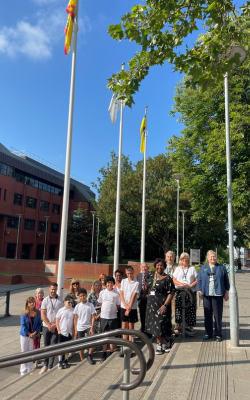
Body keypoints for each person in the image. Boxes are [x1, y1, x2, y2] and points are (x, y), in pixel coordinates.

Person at [197, 250, 229, 342]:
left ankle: (218, 334)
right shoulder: (203, 268)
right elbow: (199, 280)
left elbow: (226, 281)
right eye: (211, 256)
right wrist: (199, 291)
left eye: (214, 256)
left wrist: (226, 292)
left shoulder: (221, 267)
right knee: (207, 314)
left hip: (218, 293)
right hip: (206, 294)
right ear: (208, 258)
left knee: (217, 315)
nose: (213, 258)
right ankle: (208, 333)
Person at [144, 258, 175, 355]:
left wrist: (165, 305)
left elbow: (171, 292)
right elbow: (146, 286)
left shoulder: (167, 278)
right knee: (154, 326)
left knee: (160, 325)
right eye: (158, 265)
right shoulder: (150, 275)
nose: (159, 267)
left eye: (161, 265)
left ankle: (159, 345)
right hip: (151, 306)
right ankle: (169, 340)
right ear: (155, 266)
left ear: (164, 267)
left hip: (161, 306)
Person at [39, 282, 64, 374]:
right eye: (52, 289)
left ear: (56, 289)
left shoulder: (60, 300)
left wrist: (54, 326)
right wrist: (49, 325)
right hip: (46, 326)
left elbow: (62, 314)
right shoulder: (45, 300)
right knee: (46, 345)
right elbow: (43, 314)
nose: (53, 291)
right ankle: (45, 364)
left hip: (56, 326)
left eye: (55, 289)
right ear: (49, 289)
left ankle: (50, 366)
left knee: (53, 345)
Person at [173, 252, 198, 336]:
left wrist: (189, 286)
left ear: (188, 259)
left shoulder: (192, 268)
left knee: (190, 310)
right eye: (183, 258)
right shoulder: (178, 269)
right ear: (181, 259)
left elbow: (196, 280)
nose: (185, 260)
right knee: (180, 310)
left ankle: (189, 328)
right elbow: (174, 280)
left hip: (190, 292)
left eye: (186, 258)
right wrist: (183, 285)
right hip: (180, 292)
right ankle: (182, 327)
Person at [99, 276, 121, 363]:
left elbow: (118, 305)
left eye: (111, 283)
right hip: (104, 317)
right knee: (104, 335)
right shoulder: (102, 293)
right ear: (106, 283)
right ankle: (104, 353)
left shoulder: (116, 293)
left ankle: (111, 351)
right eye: (108, 283)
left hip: (113, 317)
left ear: (113, 284)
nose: (110, 284)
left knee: (112, 335)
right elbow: (101, 303)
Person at [119, 266, 139, 357]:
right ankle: (124, 346)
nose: (129, 275)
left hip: (132, 307)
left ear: (133, 272)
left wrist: (129, 307)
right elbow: (121, 294)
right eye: (128, 274)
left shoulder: (136, 283)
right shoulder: (123, 281)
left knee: (131, 327)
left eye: (131, 273)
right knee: (124, 326)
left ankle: (131, 347)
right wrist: (126, 306)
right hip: (124, 306)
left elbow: (134, 296)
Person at [20, 297, 41, 376]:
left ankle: (29, 368)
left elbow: (39, 323)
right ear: (27, 304)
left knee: (30, 352)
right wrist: (29, 334)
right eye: (30, 302)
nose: (32, 304)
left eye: (33, 302)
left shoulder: (37, 312)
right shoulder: (24, 313)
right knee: (24, 352)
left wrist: (35, 333)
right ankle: (23, 370)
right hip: (25, 336)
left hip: (33, 335)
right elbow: (23, 326)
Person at [73, 288, 95, 365]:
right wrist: (75, 330)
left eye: (84, 295)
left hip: (88, 325)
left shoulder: (90, 305)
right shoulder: (77, 306)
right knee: (80, 344)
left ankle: (89, 355)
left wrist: (92, 328)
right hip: (80, 327)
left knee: (92, 340)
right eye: (81, 296)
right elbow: (75, 318)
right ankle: (82, 359)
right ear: (79, 297)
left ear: (86, 295)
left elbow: (93, 317)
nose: (83, 297)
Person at [56, 295, 75, 369]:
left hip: (69, 332)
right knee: (61, 348)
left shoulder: (73, 311)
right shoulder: (61, 310)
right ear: (64, 302)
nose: (70, 304)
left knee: (67, 348)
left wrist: (73, 333)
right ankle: (60, 361)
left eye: (71, 302)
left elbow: (74, 322)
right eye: (68, 302)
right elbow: (57, 320)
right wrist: (58, 330)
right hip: (62, 332)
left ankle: (66, 360)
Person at [165, 251, 180, 335]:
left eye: (171, 257)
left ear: (174, 258)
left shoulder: (177, 267)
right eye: (168, 257)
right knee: (166, 312)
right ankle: (168, 328)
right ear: (166, 258)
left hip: (174, 292)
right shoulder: (163, 267)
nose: (169, 258)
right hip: (165, 293)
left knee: (176, 311)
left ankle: (177, 328)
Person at [137, 263, 149, 334]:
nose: (144, 268)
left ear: (148, 268)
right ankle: (142, 328)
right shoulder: (138, 275)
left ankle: (148, 329)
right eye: (142, 267)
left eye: (145, 267)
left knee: (148, 314)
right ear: (140, 268)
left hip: (148, 297)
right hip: (140, 298)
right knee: (141, 314)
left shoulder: (151, 275)